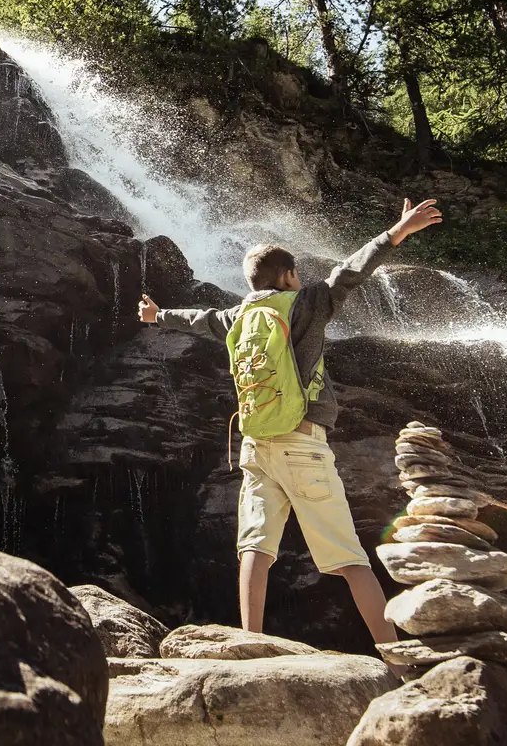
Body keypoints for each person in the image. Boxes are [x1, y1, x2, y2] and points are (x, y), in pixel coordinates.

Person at [137, 198, 442, 650]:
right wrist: (399, 230)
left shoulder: (238, 316)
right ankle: (394, 656)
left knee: (255, 547)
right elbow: (350, 272)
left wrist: (155, 315)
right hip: (303, 443)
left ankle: (249, 644)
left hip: (256, 444)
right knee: (350, 558)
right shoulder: (306, 303)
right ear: (290, 276)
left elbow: (197, 319)